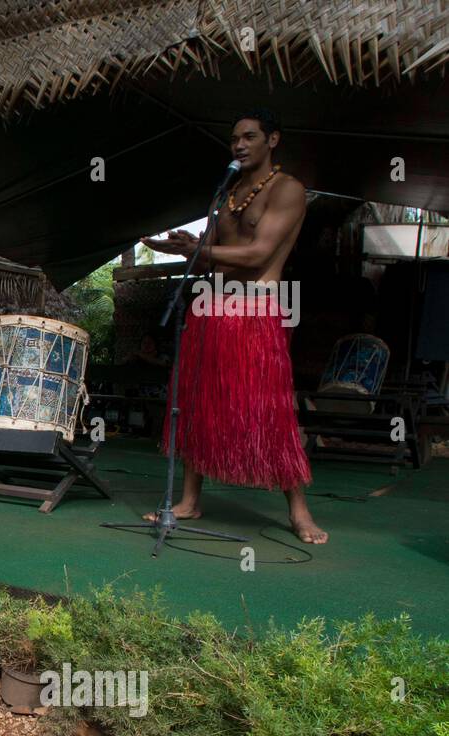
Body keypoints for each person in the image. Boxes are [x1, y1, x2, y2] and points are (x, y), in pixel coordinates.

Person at [141, 107, 325, 544]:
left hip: (256, 310)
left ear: (272, 140)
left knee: (270, 408)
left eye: (249, 136)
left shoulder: (288, 190)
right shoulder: (225, 194)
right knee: (197, 400)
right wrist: (185, 248)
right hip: (212, 308)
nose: (239, 145)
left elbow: (259, 254)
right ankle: (189, 499)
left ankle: (299, 511)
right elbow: (211, 253)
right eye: (234, 139)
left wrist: (197, 250)